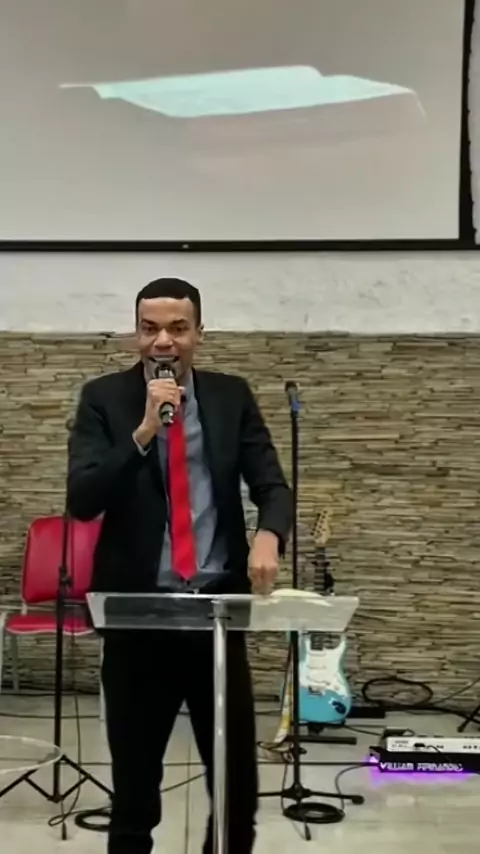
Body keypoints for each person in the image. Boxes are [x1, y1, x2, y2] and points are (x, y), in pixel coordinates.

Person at [67, 277, 293, 854]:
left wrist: (269, 536)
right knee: (134, 793)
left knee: (236, 791)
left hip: (215, 620)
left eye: (177, 328)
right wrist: (144, 431)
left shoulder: (230, 396)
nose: (163, 341)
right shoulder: (104, 398)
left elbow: (272, 485)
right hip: (137, 621)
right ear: (136, 334)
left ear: (199, 334)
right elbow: (83, 499)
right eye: (150, 329)